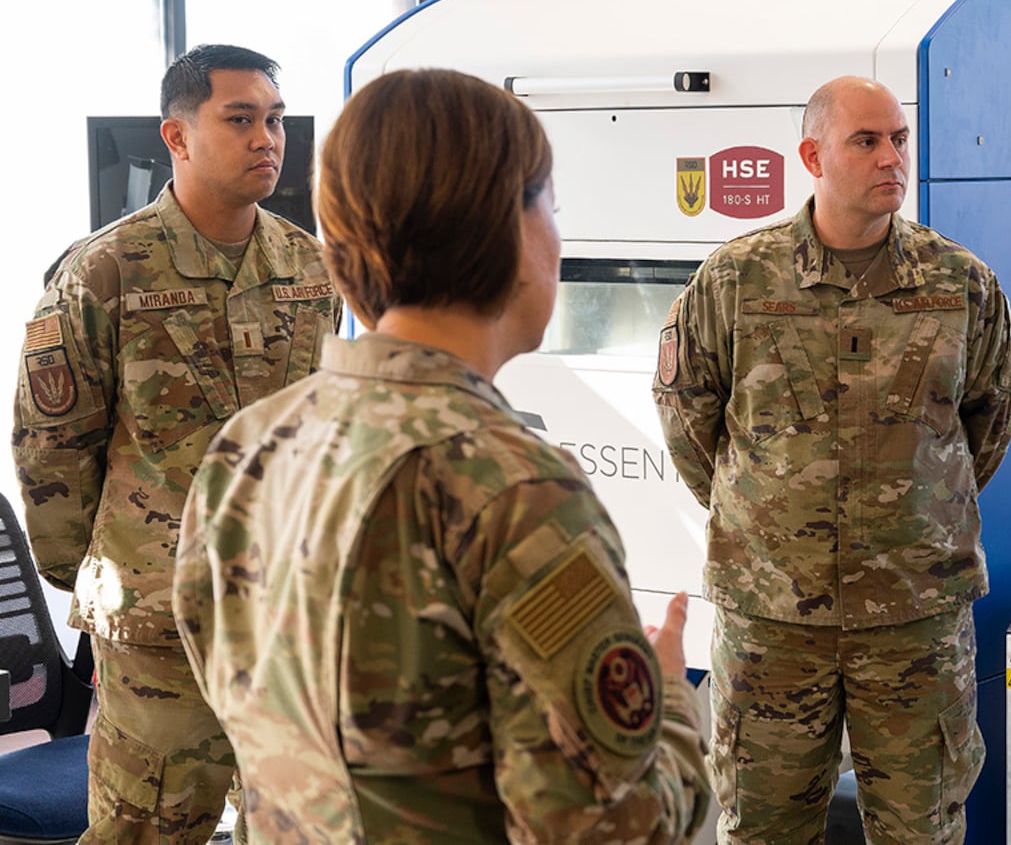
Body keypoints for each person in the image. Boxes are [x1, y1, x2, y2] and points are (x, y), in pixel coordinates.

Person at [173, 68, 711, 843]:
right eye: (551, 206)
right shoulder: (513, 488)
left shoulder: (247, 447)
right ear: (511, 227)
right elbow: (611, 830)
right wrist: (671, 717)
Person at [653, 75, 1011, 843]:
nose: (892, 156)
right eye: (867, 140)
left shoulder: (959, 282)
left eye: (900, 139)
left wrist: (916, 508)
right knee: (764, 825)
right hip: (773, 622)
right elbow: (685, 410)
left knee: (920, 828)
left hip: (914, 620)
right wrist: (763, 517)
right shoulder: (737, 279)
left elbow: (992, 414)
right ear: (812, 156)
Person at [12, 43, 340, 844]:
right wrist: (105, 580)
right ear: (178, 136)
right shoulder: (104, 272)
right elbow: (52, 451)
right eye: (240, 119)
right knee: (148, 831)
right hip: (159, 626)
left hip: (286, 612)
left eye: (276, 120)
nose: (267, 138)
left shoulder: (310, 269)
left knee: (303, 827)